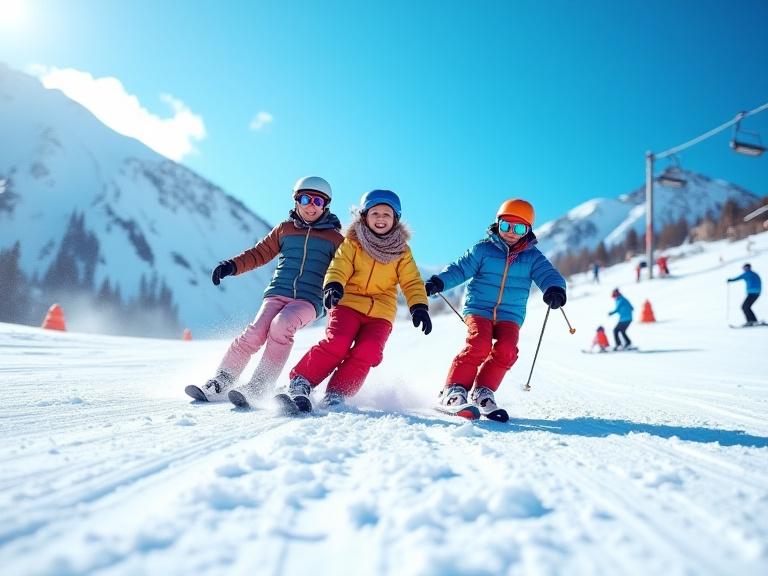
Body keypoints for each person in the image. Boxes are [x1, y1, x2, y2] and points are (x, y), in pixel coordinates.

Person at [184, 176, 344, 402]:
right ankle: (222, 379)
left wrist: (335, 289)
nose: (311, 205)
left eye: (318, 202)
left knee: (282, 327)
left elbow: (344, 269)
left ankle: (260, 385)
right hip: (278, 292)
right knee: (255, 332)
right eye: (306, 199)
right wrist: (231, 265)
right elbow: (259, 253)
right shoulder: (285, 230)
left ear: (325, 205)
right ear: (296, 200)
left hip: (309, 300)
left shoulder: (335, 239)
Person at [283, 189, 431, 411]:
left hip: (381, 312)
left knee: (369, 351)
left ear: (395, 219)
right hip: (348, 303)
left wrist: (419, 305)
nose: (380, 219)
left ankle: (337, 393)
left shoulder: (402, 251)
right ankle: (301, 381)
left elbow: (411, 281)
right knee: (338, 342)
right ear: (364, 216)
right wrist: (333, 284)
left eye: (386, 214)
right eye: (375, 213)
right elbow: (339, 266)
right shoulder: (353, 242)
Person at [424, 198, 567, 417]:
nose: (511, 232)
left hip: (510, 314)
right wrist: (440, 281)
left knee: (507, 349)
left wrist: (554, 289)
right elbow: (460, 270)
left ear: (528, 231)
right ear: (497, 224)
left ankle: (483, 392)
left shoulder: (533, 258)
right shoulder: (483, 250)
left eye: (519, 227)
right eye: (505, 226)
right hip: (479, 308)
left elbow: (548, 275)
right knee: (479, 343)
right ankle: (453, 390)